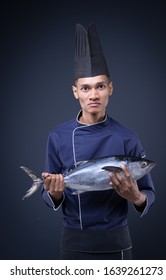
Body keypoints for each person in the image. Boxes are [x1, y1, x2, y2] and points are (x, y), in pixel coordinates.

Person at [41, 23, 155, 260]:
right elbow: (49, 193)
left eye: (100, 86)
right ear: (75, 92)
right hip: (73, 242)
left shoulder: (128, 137)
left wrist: (135, 197)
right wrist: (55, 192)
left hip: (117, 241)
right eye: (86, 88)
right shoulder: (58, 135)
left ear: (110, 88)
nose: (93, 95)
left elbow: (147, 194)